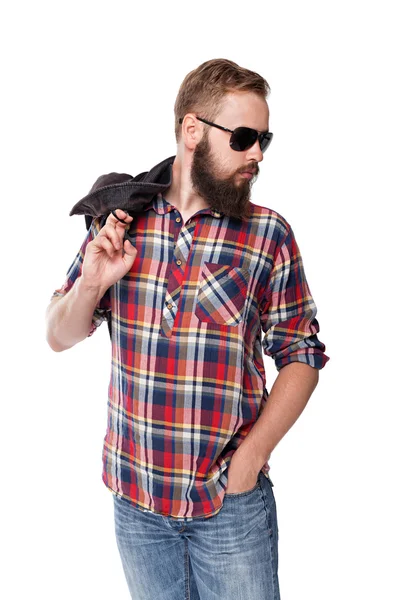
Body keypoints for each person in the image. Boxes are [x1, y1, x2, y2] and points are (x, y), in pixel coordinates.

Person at [45, 58, 329, 600]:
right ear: (192, 131)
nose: (258, 155)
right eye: (244, 138)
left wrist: (248, 461)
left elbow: (302, 355)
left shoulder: (267, 234)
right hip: (136, 505)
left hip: (230, 508)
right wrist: (92, 284)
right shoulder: (122, 221)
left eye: (264, 139)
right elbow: (57, 335)